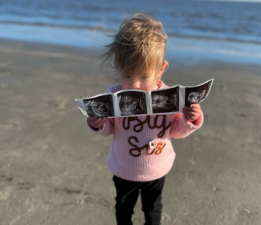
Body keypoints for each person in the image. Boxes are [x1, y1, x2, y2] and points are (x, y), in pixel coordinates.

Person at [87, 11, 204, 225]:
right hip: (123, 168)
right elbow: (109, 128)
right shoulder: (114, 94)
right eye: (128, 76)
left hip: (157, 168)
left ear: (160, 70)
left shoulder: (169, 97)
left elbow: (176, 131)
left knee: (153, 210)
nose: (135, 84)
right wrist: (98, 123)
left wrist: (190, 119)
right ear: (119, 68)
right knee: (123, 209)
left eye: (143, 77)